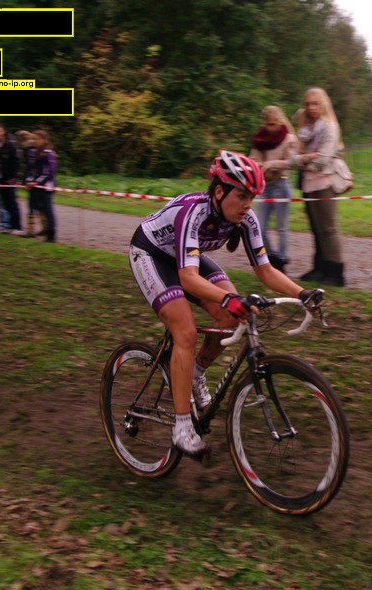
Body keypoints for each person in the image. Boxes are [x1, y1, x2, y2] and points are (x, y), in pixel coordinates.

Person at [128, 150, 324, 457]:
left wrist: (302, 293)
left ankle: (194, 373)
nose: (247, 205)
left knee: (233, 316)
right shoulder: (193, 212)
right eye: (242, 196)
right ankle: (182, 428)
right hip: (151, 255)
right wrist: (228, 298)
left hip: (185, 260)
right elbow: (188, 277)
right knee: (185, 332)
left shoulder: (245, 219)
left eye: (252, 197)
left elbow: (265, 270)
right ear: (219, 192)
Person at [264, 87, 347, 286]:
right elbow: (295, 158)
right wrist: (307, 158)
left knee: (328, 228)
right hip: (308, 183)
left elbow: (323, 161)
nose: (311, 107)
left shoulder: (329, 127)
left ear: (323, 104)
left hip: (325, 182)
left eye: (315, 103)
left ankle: (336, 272)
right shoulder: (305, 130)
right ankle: (319, 268)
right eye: (308, 104)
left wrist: (303, 160)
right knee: (316, 228)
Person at [249, 105, 300, 273]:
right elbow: (252, 158)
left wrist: (271, 164)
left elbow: (291, 163)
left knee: (281, 227)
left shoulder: (289, 139)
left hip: (280, 185)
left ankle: (282, 259)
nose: (270, 128)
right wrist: (254, 164)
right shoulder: (260, 139)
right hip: (263, 186)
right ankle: (272, 257)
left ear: (280, 121)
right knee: (260, 227)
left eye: (273, 124)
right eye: (267, 124)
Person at [0, 122, 23, 234]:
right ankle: (7, 226)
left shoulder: (10, 145)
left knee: (12, 203)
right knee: (4, 203)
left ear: (2, 132)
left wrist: (13, 176)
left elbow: (16, 162)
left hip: (8, 179)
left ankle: (17, 226)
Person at [25, 130, 57, 242]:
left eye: (37, 139)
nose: (34, 141)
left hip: (46, 187)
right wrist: (29, 180)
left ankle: (51, 234)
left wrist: (36, 182)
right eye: (33, 139)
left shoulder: (48, 154)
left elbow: (49, 172)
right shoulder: (34, 153)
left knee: (48, 210)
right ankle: (38, 230)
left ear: (44, 140)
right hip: (36, 186)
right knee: (35, 207)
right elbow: (32, 170)